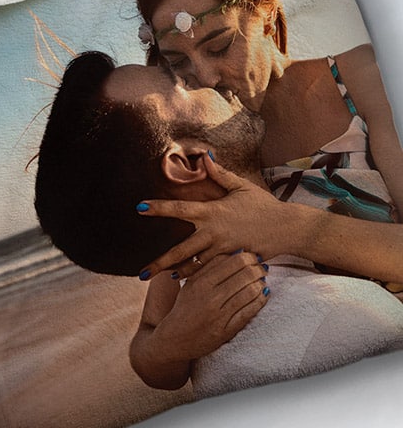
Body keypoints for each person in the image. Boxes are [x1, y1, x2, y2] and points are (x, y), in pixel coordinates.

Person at [34, 51, 403, 397]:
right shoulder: (341, 326)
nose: (208, 77)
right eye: (182, 82)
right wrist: (163, 347)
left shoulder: (194, 258)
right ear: (191, 162)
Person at [129, 0, 403, 229]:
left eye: (220, 46)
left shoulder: (364, 80)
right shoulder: (193, 154)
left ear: (267, 13)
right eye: (177, 60)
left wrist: (285, 230)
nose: (205, 78)